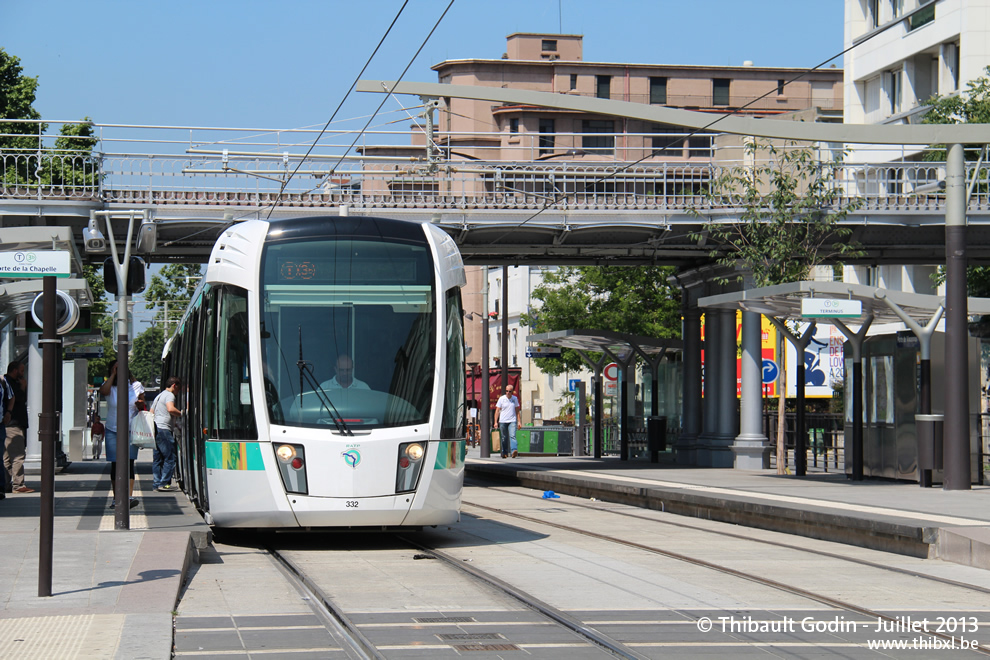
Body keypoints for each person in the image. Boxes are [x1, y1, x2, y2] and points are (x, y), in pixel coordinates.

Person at [99, 362, 139, 509]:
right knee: (115, 465)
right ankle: (117, 498)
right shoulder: (109, 387)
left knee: (129, 463)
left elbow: (141, 401)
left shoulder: (135, 386)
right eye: (116, 369)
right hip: (112, 429)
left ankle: (128, 497)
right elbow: (103, 391)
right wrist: (113, 375)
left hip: (130, 430)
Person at [3, 362, 33, 493]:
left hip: (7, 424)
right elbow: (18, 399)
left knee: (6, 457)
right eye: (21, 370)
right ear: (15, 371)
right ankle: (18, 484)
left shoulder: (4, 383)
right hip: (14, 423)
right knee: (18, 455)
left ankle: (6, 483)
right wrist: (23, 387)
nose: (23, 373)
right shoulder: (12, 384)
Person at [151, 377, 182, 492]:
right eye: (178, 389)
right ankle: (163, 483)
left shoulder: (159, 396)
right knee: (170, 457)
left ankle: (156, 483)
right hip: (164, 429)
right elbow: (170, 409)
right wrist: (182, 413)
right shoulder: (170, 395)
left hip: (156, 429)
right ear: (174, 385)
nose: (178, 392)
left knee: (157, 458)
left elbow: (151, 412)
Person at [494, 384, 521, 459]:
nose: (508, 392)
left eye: (509, 391)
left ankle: (514, 450)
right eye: (506, 391)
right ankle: (505, 452)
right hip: (503, 421)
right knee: (504, 437)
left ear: (512, 392)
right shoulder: (501, 399)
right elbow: (497, 410)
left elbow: (517, 411)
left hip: (512, 420)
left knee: (512, 436)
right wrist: (495, 422)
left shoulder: (514, 399)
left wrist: (519, 421)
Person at [0, 370, 12, 499]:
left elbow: (11, 397)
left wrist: (8, 412)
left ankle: (1, 488)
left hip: (0, 424)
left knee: (0, 457)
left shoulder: (2, 381)